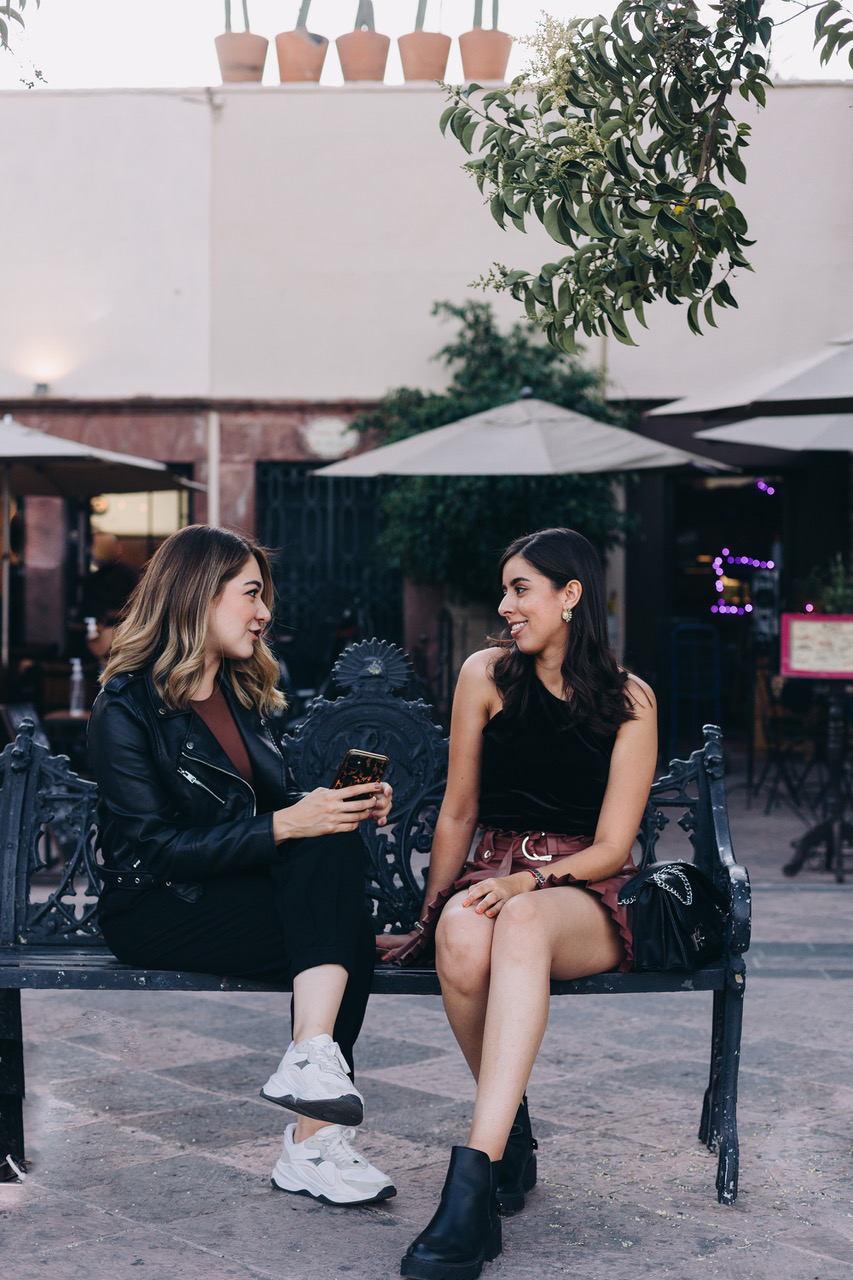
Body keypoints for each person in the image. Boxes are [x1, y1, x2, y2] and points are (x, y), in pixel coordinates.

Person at [87, 524, 395, 1207]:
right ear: (197, 595)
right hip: (157, 904)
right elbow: (152, 850)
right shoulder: (125, 707)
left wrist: (342, 805)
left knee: (332, 867)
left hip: (227, 889)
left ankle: (312, 1078)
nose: (264, 613)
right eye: (252, 595)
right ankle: (311, 1143)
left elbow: (276, 813)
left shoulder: (240, 695)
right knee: (340, 937)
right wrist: (291, 821)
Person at [379, 528, 657, 1280]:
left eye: (520, 589)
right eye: (504, 590)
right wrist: (432, 913)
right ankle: (510, 1137)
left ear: (570, 597)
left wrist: (525, 883)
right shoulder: (484, 675)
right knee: (464, 939)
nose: (505, 606)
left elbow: (611, 844)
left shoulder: (629, 698)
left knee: (518, 918)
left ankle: (470, 1184)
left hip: (582, 893)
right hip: (491, 870)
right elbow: (458, 811)